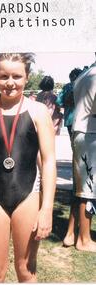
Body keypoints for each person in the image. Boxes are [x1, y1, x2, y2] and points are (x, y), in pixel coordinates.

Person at [0, 53, 56, 282]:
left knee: (26, 269)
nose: (10, 82)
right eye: (4, 76)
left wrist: (46, 209)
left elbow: (49, 162)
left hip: (28, 196)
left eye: (17, 76)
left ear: (27, 78)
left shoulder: (38, 112)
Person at [71, 54, 96, 252]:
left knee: (81, 187)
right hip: (90, 134)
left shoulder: (85, 74)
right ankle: (84, 240)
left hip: (81, 132)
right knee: (88, 187)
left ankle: (71, 234)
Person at [56, 67, 83, 247]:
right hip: (80, 122)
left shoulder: (67, 87)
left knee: (76, 153)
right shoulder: (81, 84)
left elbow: (60, 102)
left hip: (71, 121)